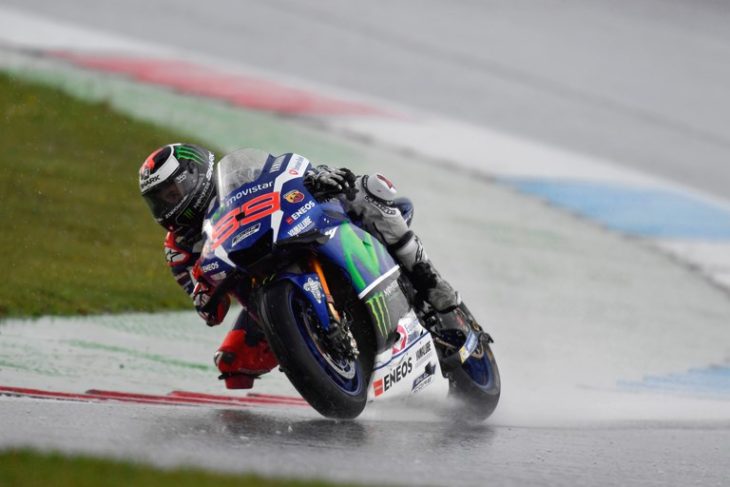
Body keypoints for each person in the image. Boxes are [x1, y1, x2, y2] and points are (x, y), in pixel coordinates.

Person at [139, 143, 460, 389]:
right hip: (259, 292)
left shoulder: (237, 177)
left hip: (294, 230)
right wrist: (203, 291)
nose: (167, 205)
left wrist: (318, 177)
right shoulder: (178, 249)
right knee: (231, 361)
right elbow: (211, 310)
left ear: (196, 177)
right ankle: (310, 350)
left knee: (366, 190)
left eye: (172, 193)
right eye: (159, 200)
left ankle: (431, 282)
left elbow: (285, 172)